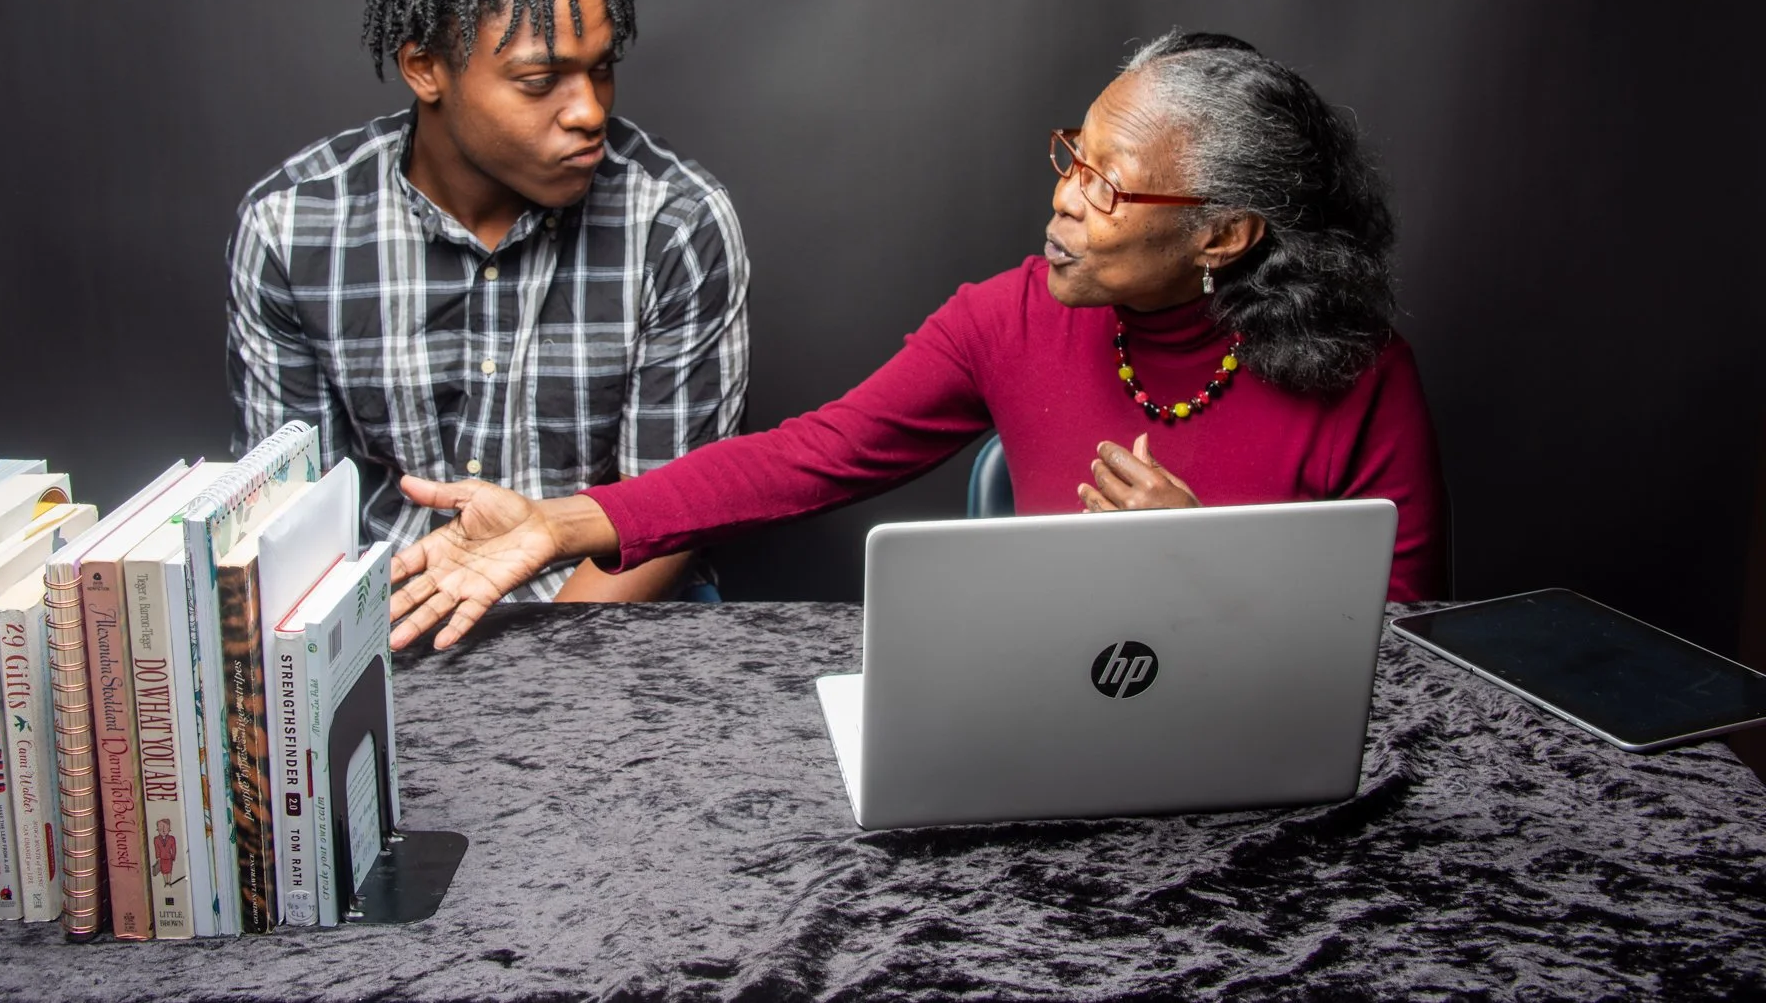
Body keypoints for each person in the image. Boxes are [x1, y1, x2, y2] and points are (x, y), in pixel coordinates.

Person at [388, 31, 1446, 648]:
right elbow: (807, 456)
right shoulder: (1009, 318)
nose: (1064, 198)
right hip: (1065, 744)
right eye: (1070, 154)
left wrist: (1207, 564)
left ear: (1221, 231)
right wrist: (557, 525)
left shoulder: (1361, 374)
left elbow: (1409, 663)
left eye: (1106, 183)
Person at [227, 0, 749, 603]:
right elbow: (293, 520)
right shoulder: (293, 229)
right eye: (541, 80)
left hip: (608, 620)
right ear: (425, 69)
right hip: (384, 624)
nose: (589, 111)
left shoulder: (678, 224)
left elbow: (670, 516)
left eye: (601, 67)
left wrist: (525, 695)